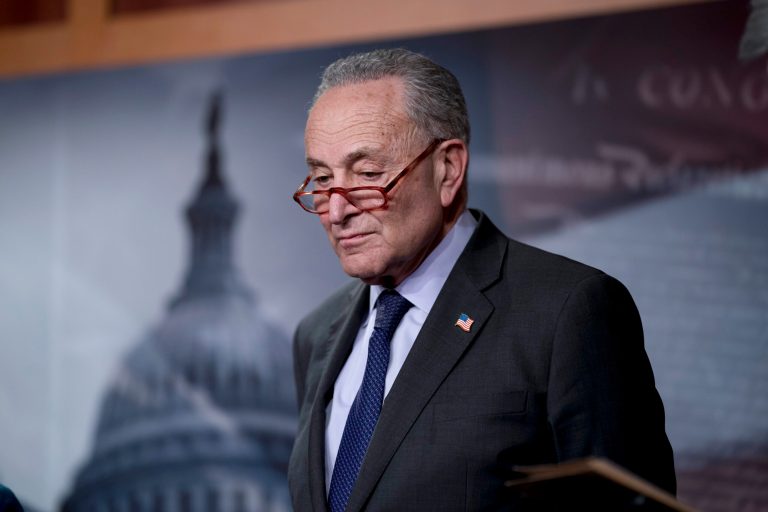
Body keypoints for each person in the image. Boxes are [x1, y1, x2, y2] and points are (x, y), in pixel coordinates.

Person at [287, 48, 675, 512]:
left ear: (447, 169)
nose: (336, 210)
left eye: (368, 174)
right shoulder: (316, 336)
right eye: (323, 179)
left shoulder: (567, 312)